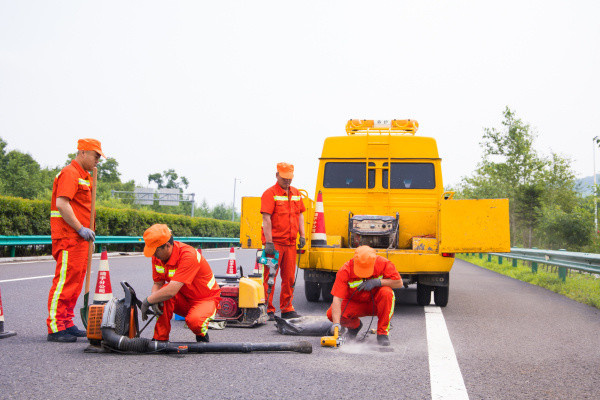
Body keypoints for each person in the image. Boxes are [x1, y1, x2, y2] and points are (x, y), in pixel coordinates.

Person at [47, 139, 104, 342]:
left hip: (80, 239)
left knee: (75, 283)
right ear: (82, 153)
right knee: (65, 282)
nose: (98, 160)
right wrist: (80, 229)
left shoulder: (85, 176)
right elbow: (62, 204)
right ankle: (55, 326)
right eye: (95, 156)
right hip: (69, 237)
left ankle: (67, 322)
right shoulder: (70, 173)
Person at [141, 224, 220, 342]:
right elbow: (158, 283)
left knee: (194, 322)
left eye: (155, 251)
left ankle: (201, 334)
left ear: (167, 245)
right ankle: (160, 339)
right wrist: (155, 300)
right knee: (161, 295)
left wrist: (148, 301)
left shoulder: (188, 255)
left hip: (205, 300)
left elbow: (171, 290)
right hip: (183, 299)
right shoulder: (157, 257)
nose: (153, 255)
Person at [327, 245, 403, 346]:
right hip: (355, 303)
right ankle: (355, 326)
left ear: (374, 261)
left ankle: (382, 333)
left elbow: (399, 283)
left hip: (375, 304)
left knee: (387, 292)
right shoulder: (345, 270)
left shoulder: (383, 263)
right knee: (331, 314)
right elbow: (337, 299)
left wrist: (378, 282)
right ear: (354, 262)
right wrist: (336, 325)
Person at [261, 162, 306, 320]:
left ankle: (287, 308)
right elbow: (266, 219)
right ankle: (268, 309)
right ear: (277, 175)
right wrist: (269, 243)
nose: (287, 181)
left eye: (290, 178)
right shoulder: (270, 193)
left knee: (289, 278)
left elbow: (300, 214)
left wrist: (302, 235)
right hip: (275, 244)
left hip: (291, 243)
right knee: (270, 276)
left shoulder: (296, 193)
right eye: (284, 178)